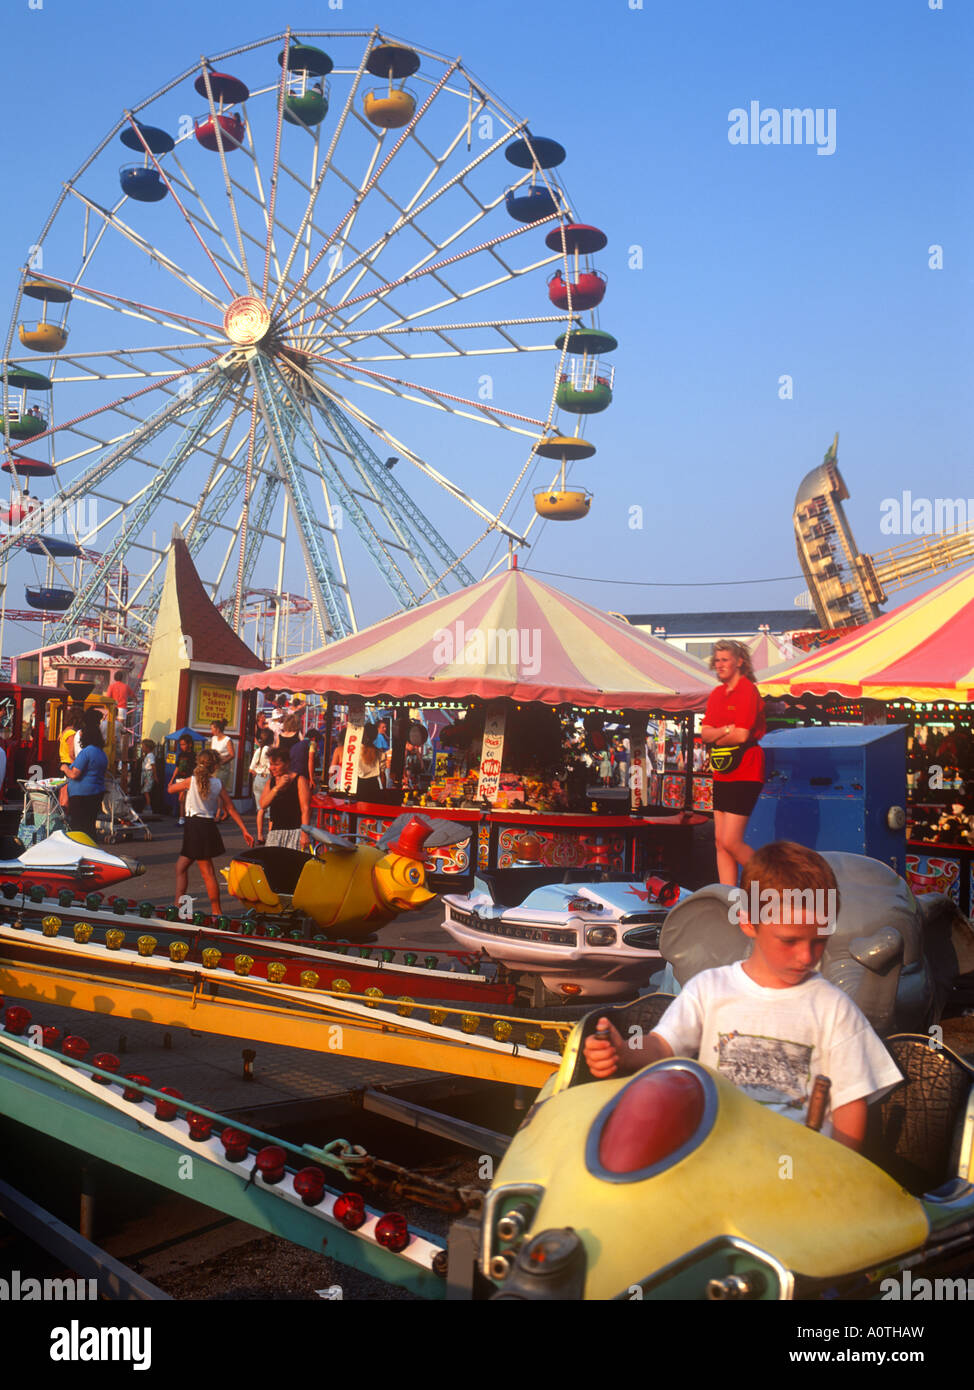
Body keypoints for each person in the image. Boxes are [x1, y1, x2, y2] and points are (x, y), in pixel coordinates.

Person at [583, 842, 903, 1151]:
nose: (807, 956)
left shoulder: (834, 1008)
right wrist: (625, 1052)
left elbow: (851, 1103)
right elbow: (662, 1045)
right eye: (789, 941)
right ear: (749, 922)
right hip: (720, 1159)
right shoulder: (709, 989)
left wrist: (840, 1171)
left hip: (801, 1175)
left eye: (819, 941)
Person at [700, 640, 766, 885]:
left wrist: (719, 731)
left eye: (725, 660)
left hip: (746, 769)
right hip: (723, 770)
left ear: (739, 662)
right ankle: (728, 896)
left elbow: (742, 735)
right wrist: (726, 729)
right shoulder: (717, 693)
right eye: (717, 660)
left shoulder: (748, 690)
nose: (719, 665)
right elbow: (705, 733)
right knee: (720, 842)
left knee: (731, 841)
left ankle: (774, 880)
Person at [170, 750, 254, 915]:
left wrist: (172, 783)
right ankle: (181, 907)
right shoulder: (217, 784)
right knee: (184, 867)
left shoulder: (191, 781)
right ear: (215, 766)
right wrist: (244, 830)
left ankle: (210, 912)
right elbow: (230, 807)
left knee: (203, 871)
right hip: (207, 825)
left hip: (194, 825)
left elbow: (171, 790)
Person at [60, 723, 108, 841]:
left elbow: (75, 774)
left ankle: (79, 851)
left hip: (81, 795)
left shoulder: (86, 752)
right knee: (89, 825)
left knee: (78, 826)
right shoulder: (102, 753)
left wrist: (65, 768)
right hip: (96, 792)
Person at [260, 748, 311, 850]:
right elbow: (263, 804)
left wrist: (305, 834)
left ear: (287, 764)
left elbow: (305, 809)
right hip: (275, 832)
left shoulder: (299, 780)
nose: (272, 768)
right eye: (271, 764)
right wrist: (277, 788)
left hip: (295, 832)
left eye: (276, 765)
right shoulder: (271, 782)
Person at [249, 729, 274, 842]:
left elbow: (251, 769)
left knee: (260, 809)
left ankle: (259, 835)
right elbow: (271, 767)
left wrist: (258, 772)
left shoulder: (258, 750)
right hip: (267, 778)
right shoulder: (269, 751)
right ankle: (270, 836)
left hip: (258, 779)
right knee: (270, 809)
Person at [209, 720, 234, 811]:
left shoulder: (227, 740)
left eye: (212, 729)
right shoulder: (214, 739)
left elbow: (232, 754)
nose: (211, 731)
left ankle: (219, 812)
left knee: (219, 789)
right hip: (214, 767)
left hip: (223, 767)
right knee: (213, 788)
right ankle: (221, 810)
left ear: (218, 729)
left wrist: (221, 762)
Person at [172, 733, 196, 825]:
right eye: (181, 744)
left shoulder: (194, 755)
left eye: (184, 744)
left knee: (185, 799)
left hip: (189, 779)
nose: (182, 746)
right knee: (181, 799)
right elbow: (177, 768)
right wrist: (172, 780)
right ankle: (182, 818)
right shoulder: (180, 755)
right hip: (180, 778)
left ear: (190, 744)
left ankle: (183, 818)